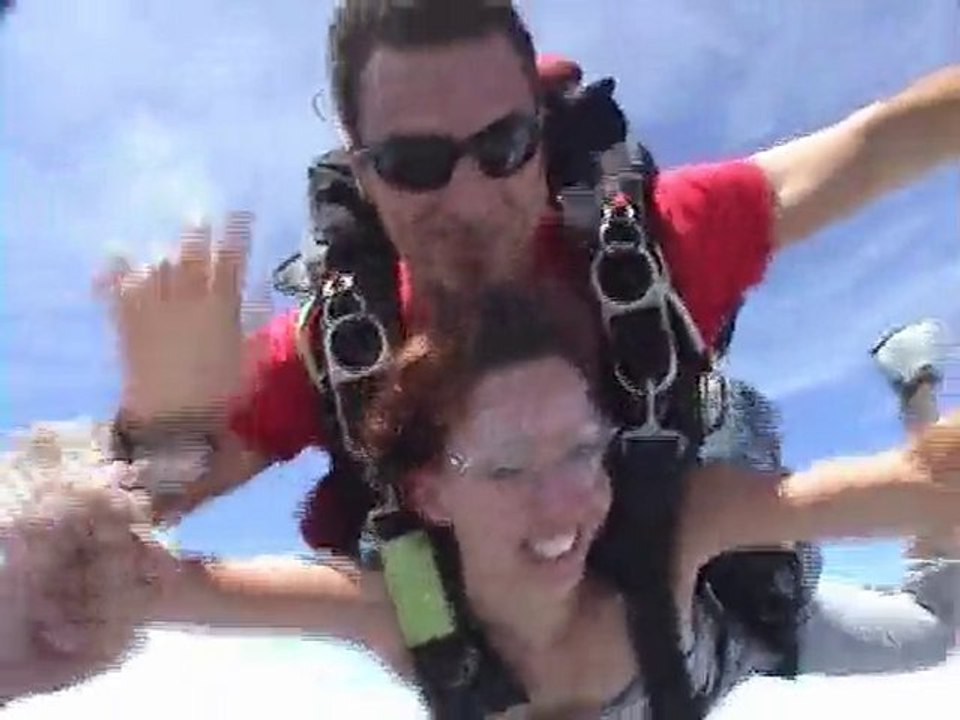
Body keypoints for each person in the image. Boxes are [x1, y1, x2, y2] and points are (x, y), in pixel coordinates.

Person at [100, 0, 959, 697]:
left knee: (932, 636)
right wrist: (161, 422)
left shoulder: (646, 248)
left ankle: (917, 384)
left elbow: (878, 143)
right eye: (413, 160)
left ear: (540, 139)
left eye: (503, 146)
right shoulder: (334, 349)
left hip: (713, 606)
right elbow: (133, 512)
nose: (470, 195)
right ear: (361, 174)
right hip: (499, 666)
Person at [6, 285, 960, 718]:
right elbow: (154, 584)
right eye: (505, 466)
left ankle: (915, 380)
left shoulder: (676, 528)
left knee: (935, 634)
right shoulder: (412, 607)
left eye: (584, 450)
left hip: (739, 637)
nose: (562, 509)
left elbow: (916, 486)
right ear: (429, 492)